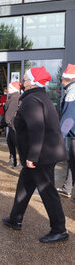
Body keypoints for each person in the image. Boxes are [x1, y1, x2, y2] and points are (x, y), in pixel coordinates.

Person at [2, 66, 69, 243]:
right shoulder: (40, 97)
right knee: (24, 186)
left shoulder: (32, 100)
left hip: (40, 156)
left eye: (25, 79)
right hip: (43, 153)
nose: (23, 82)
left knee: (48, 192)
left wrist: (32, 156)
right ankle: (15, 218)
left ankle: (60, 229)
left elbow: (37, 130)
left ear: (32, 82)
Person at [56, 63, 75, 201]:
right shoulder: (70, 91)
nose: (61, 80)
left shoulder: (71, 94)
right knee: (72, 162)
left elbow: (68, 118)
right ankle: (67, 188)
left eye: (62, 78)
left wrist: (59, 138)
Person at [1, 81, 21, 168]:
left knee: (18, 145)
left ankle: (21, 163)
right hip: (12, 125)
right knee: (10, 142)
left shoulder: (15, 98)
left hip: (14, 126)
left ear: (13, 89)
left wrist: (3, 123)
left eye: (9, 87)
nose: (7, 89)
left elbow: (8, 114)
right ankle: (13, 160)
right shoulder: (13, 97)